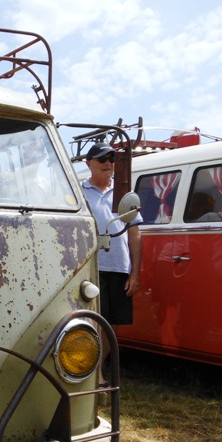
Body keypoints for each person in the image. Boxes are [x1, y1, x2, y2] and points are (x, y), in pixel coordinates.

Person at [81, 142, 142, 385]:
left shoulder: (124, 194)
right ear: (89, 163)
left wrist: (135, 273)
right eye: (102, 158)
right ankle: (93, 374)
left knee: (111, 324)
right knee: (93, 319)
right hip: (90, 266)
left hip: (118, 267)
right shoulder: (79, 193)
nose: (108, 163)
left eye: (112, 159)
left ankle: (96, 370)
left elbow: (135, 234)